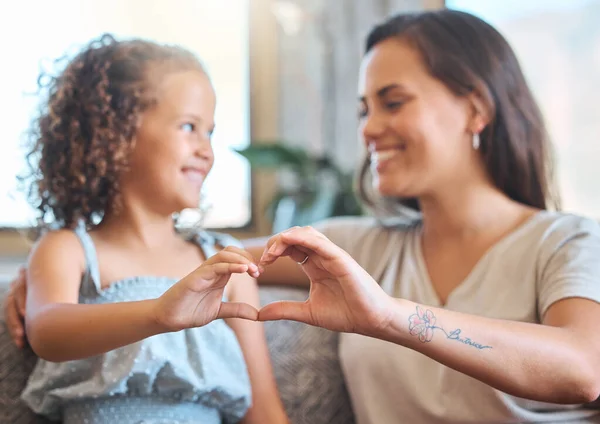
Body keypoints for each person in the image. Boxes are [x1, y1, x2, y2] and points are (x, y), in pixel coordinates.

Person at [6, 9, 600, 424]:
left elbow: (584, 368)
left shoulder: (567, 241)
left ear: (476, 108)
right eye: (365, 109)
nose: (367, 129)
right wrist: (48, 275)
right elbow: (193, 261)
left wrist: (389, 316)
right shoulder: (360, 247)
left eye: (393, 102)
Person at [4, 33, 288, 424]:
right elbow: (47, 331)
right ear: (116, 134)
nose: (207, 150)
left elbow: (265, 413)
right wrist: (158, 313)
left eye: (210, 132)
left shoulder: (227, 266)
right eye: (189, 126)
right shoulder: (68, 250)